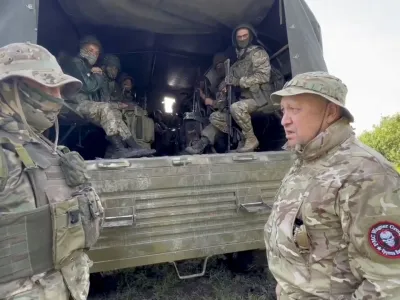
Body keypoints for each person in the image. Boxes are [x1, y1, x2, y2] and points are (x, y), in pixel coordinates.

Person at [264, 71, 400, 300]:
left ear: (330, 112)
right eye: (283, 110)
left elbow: (389, 282)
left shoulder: (366, 174)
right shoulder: (308, 159)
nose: (284, 120)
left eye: (295, 109)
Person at [0, 42, 105, 300]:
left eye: (60, 88)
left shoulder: (43, 145)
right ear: (12, 85)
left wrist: (82, 187)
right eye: (48, 84)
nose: (58, 97)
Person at [61, 35, 155, 158]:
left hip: (82, 104)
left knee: (113, 112)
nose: (93, 54)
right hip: (71, 105)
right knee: (105, 108)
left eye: (96, 52)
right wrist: (98, 75)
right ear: (81, 49)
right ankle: (120, 149)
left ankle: (134, 147)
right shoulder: (75, 63)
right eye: (90, 50)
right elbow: (89, 86)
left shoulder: (87, 68)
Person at [224, 23, 271, 152]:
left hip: (261, 98)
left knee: (236, 108)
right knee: (224, 113)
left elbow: (263, 76)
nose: (242, 39)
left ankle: (251, 139)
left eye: (245, 36)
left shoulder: (258, 53)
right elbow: (230, 79)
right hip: (246, 97)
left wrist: (240, 82)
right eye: (240, 37)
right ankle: (243, 140)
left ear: (250, 37)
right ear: (236, 39)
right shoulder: (239, 59)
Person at [185, 52, 230, 154]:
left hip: (232, 113)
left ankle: (200, 145)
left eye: (220, 66)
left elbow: (225, 103)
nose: (219, 69)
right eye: (217, 67)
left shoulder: (229, 81)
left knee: (216, 117)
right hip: (227, 113)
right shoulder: (221, 82)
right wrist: (203, 96)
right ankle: (201, 145)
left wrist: (212, 102)